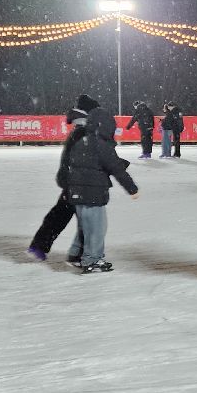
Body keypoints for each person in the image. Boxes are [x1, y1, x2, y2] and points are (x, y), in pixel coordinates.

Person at [64, 99, 140, 273]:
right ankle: (92, 259)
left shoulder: (81, 142)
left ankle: (76, 253)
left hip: (77, 194)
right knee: (97, 228)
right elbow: (116, 169)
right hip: (93, 195)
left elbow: (82, 164)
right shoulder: (103, 146)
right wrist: (132, 189)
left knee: (85, 226)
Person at [27, 100, 92, 261]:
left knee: (61, 215)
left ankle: (39, 246)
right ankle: (80, 254)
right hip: (78, 182)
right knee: (87, 220)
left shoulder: (80, 131)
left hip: (73, 180)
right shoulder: (83, 132)